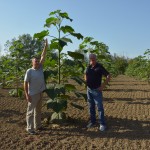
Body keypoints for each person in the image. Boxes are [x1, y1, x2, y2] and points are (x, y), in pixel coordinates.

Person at [24, 39, 48, 135]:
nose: (37, 62)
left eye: (38, 61)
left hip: (40, 92)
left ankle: (38, 125)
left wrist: (45, 46)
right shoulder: (29, 71)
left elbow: (43, 56)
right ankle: (29, 128)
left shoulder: (40, 67)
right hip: (32, 94)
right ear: (32, 63)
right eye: (35, 61)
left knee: (38, 111)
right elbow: (25, 83)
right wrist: (27, 94)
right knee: (30, 112)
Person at [85, 53, 111, 131]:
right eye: (90, 60)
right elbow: (85, 74)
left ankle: (102, 124)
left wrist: (103, 86)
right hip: (89, 90)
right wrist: (86, 80)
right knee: (91, 107)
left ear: (96, 59)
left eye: (93, 59)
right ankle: (93, 122)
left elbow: (108, 75)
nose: (92, 61)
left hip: (97, 90)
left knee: (99, 107)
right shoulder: (88, 67)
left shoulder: (99, 67)